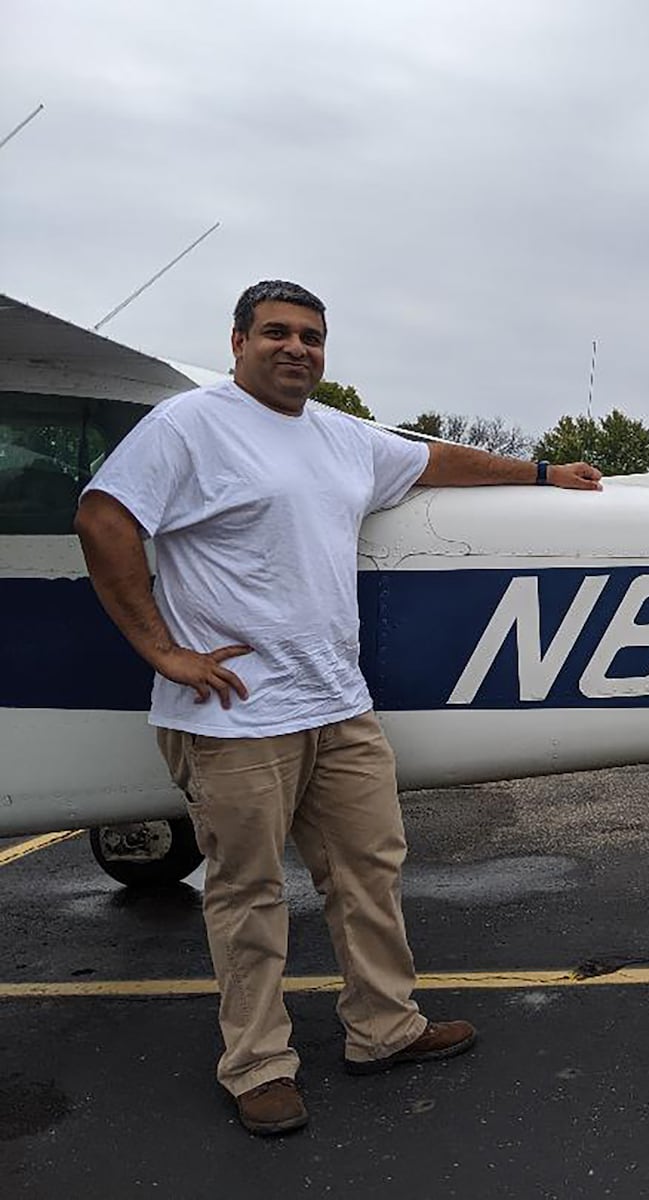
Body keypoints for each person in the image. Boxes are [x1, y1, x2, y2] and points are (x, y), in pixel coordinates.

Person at [74, 280, 603, 1135]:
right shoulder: (188, 425)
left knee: (370, 869)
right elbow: (104, 517)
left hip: (335, 702)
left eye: (312, 337)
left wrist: (542, 472)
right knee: (246, 892)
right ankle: (256, 1064)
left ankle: (384, 1027)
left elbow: (432, 459)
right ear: (238, 340)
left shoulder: (338, 436)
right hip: (237, 716)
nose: (297, 349)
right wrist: (160, 649)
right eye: (276, 333)